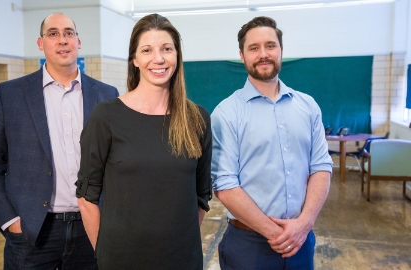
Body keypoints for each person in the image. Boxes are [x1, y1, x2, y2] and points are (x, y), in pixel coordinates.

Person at [0, 13, 118, 269]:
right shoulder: (11, 94)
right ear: (40, 43)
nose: (62, 40)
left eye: (68, 33)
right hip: (33, 229)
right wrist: (9, 220)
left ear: (78, 41)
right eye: (53, 33)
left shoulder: (106, 95)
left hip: (92, 224)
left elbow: (117, 161)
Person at [75, 13, 212, 270]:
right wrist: (105, 254)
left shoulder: (197, 119)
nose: (158, 59)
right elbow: (86, 197)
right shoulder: (106, 117)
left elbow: (201, 194)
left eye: (166, 49)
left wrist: (177, 242)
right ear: (135, 59)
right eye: (147, 50)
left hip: (182, 260)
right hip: (122, 260)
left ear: (177, 56)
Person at [211, 16, 332, 269]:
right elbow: (224, 184)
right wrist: (275, 233)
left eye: (270, 45)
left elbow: (320, 166)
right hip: (248, 245)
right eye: (253, 48)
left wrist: (304, 224)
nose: (263, 54)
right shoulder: (226, 113)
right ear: (242, 56)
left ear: (281, 51)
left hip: (301, 240)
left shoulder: (308, 106)